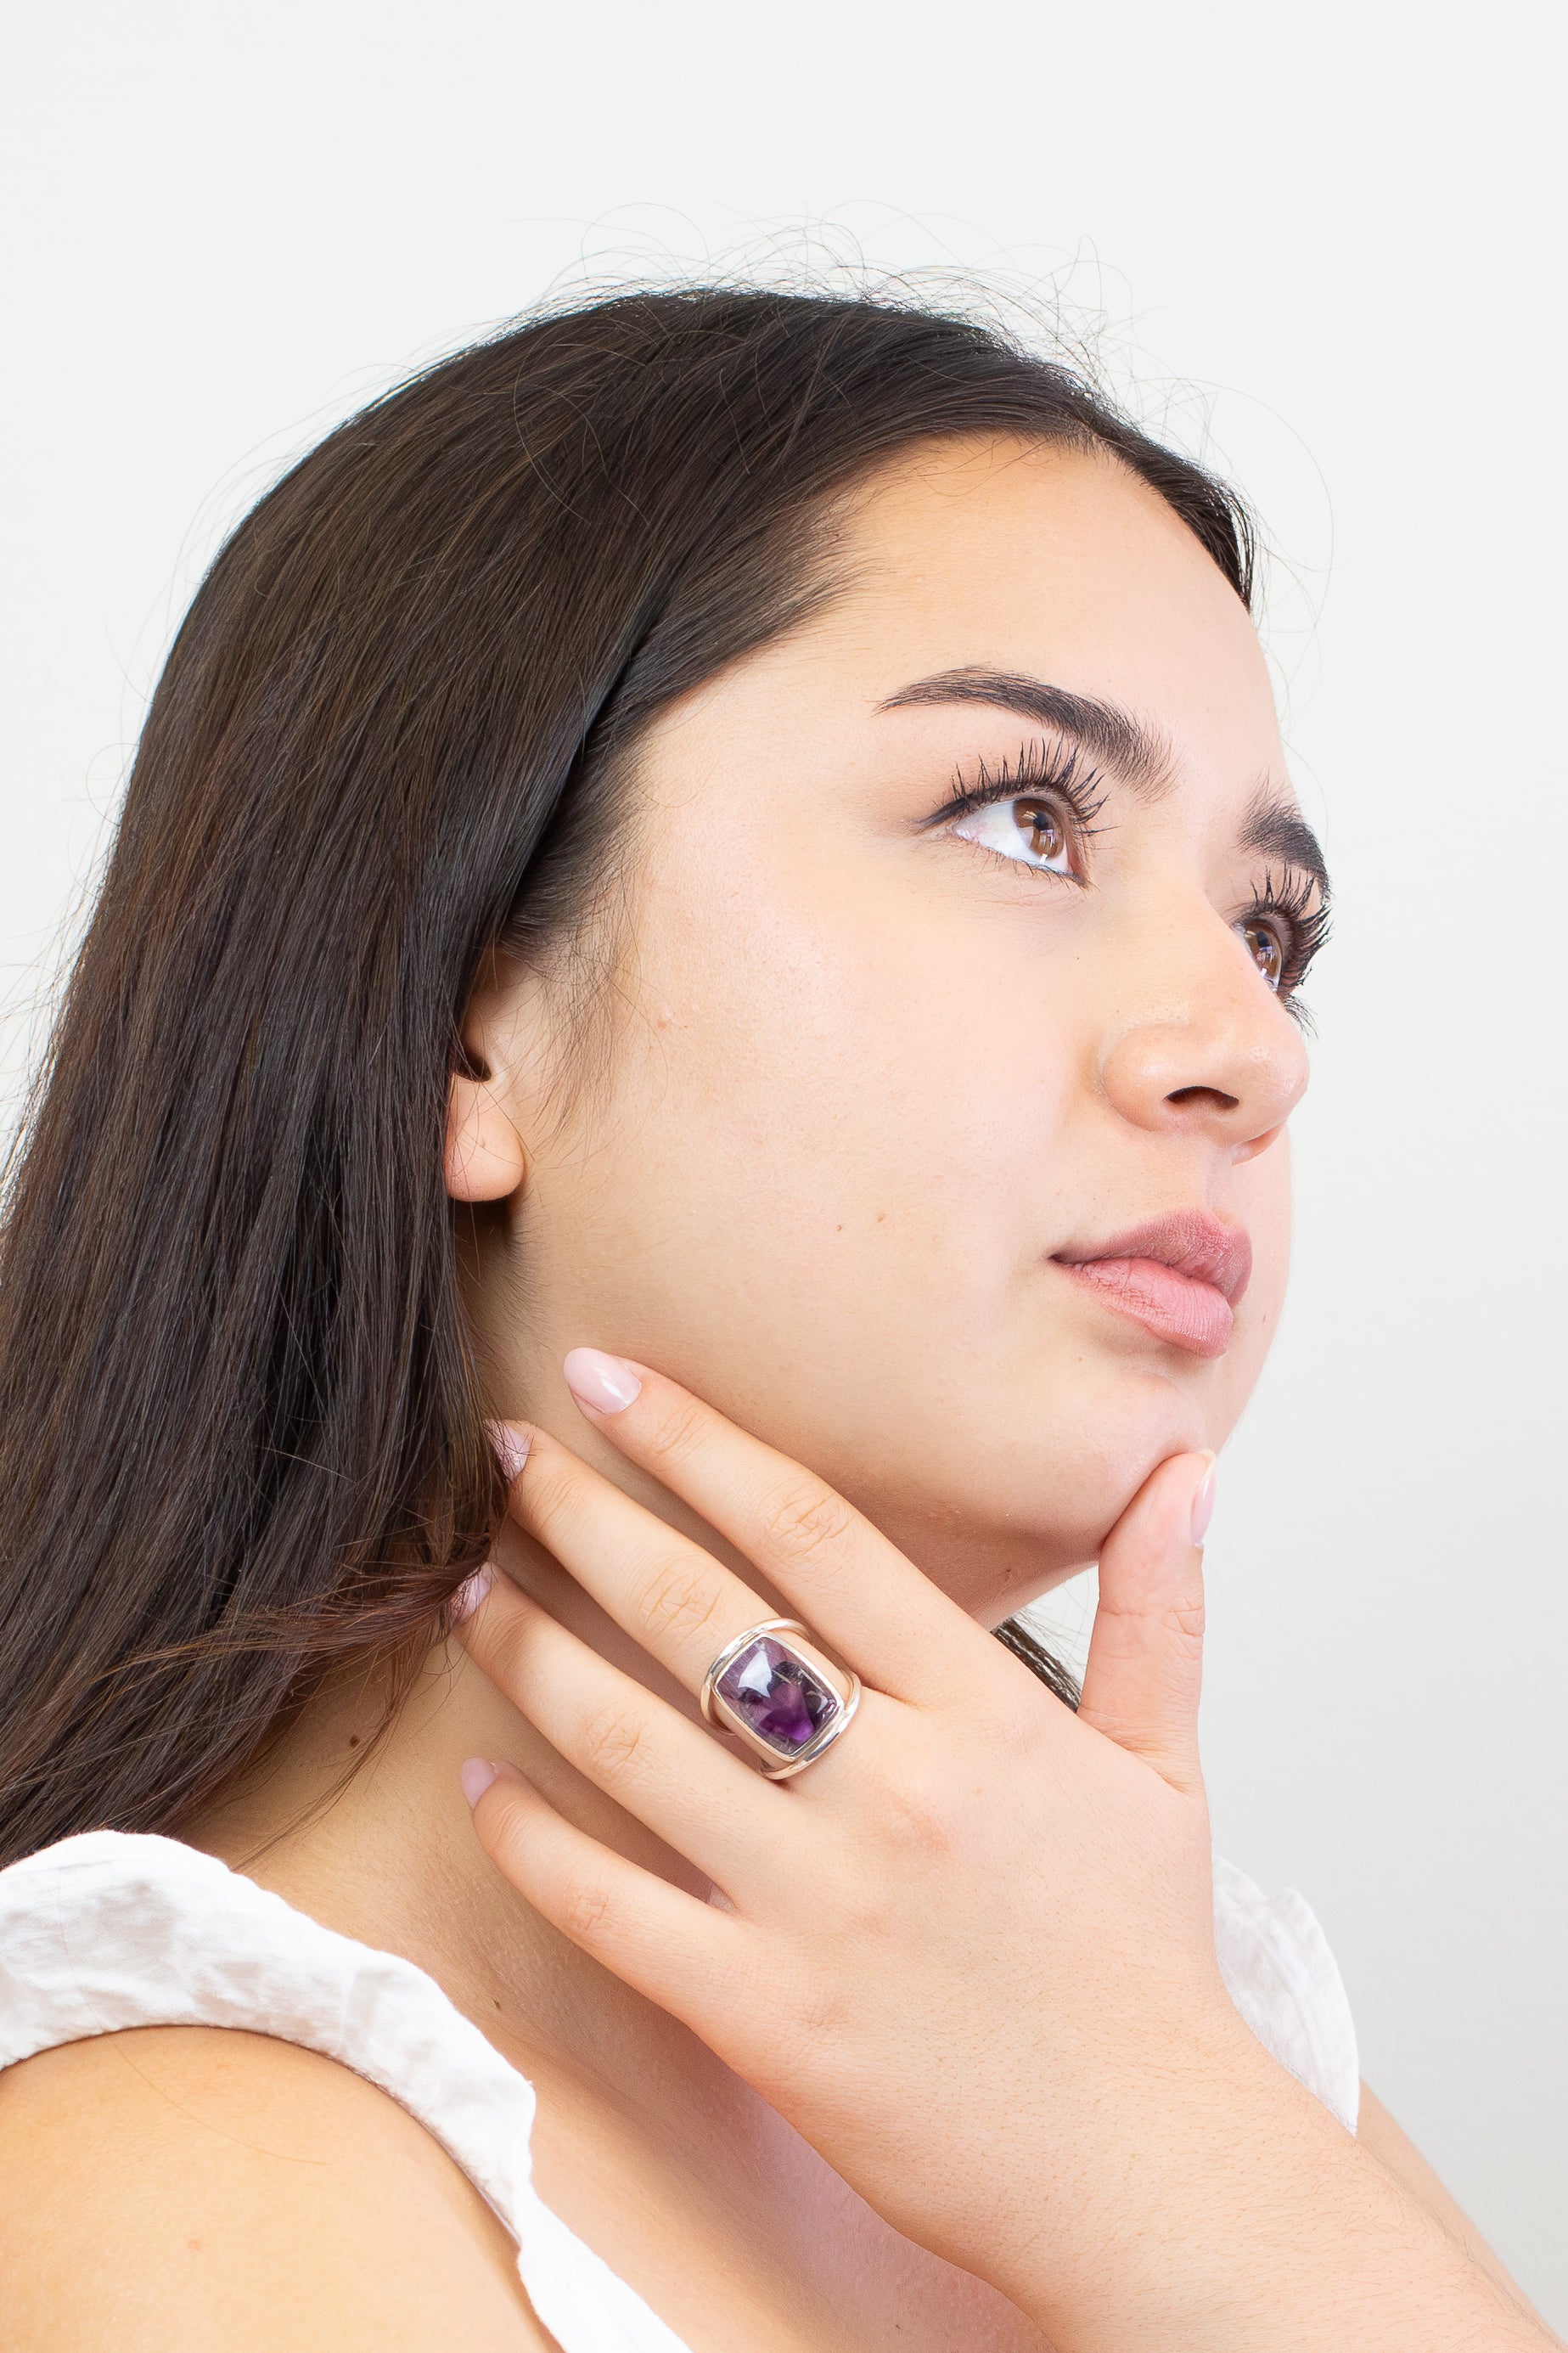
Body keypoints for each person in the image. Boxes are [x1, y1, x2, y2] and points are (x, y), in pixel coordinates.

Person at [0, 287, 1553, 2350]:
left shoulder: (1156, 2039)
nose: (1249, 1050)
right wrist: (1170, 2162)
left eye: (1272, 932)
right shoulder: (176, 2198)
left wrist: (1170, 2137)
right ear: (468, 1023)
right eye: (1024, 818)